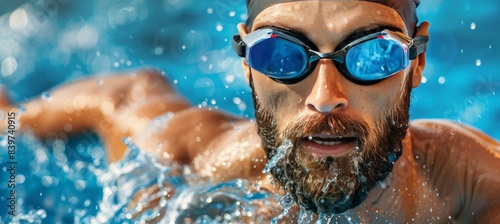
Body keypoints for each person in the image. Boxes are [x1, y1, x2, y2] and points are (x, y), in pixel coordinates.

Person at [1, 0, 500, 222]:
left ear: (417, 62)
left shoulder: (478, 188)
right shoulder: (185, 169)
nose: (324, 96)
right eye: (282, 55)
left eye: (373, 54)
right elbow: (119, 104)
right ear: (246, 65)